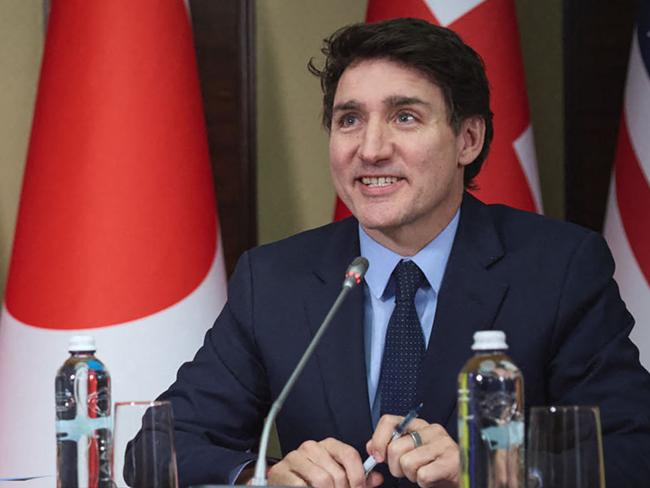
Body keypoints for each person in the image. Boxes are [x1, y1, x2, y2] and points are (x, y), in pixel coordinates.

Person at [157, 18, 650, 488]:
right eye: (349, 119)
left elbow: (635, 449)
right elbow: (163, 444)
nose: (370, 149)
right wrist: (264, 476)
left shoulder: (558, 267)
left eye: (405, 117)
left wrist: (493, 469)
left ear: (468, 139)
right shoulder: (272, 280)